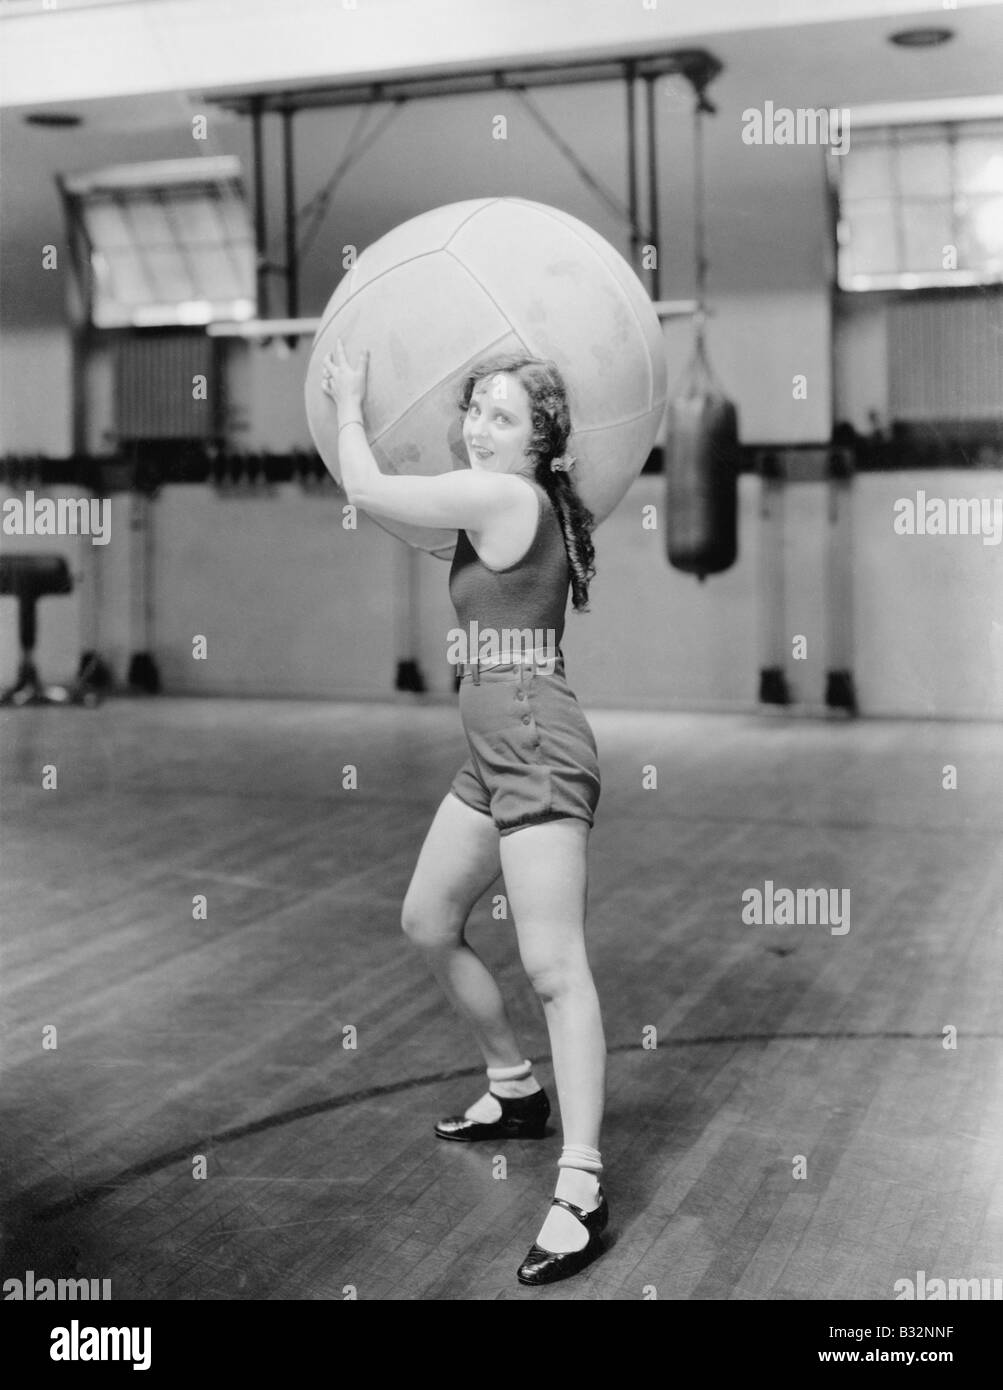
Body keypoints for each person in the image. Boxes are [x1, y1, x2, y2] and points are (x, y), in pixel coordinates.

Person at [322, 341, 608, 1285]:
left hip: (532, 735)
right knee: (428, 920)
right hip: (495, 739)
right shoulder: (514, 502)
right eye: (473, 408)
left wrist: (349, 399)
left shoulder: (503, 498)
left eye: (500, 415)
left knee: (554, 968)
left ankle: (581, 1189)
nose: (476, 426)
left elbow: (360, 484)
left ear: (537, 444)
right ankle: (513, 1089)